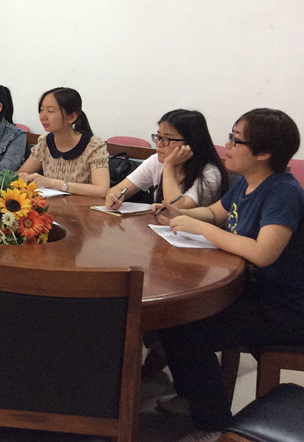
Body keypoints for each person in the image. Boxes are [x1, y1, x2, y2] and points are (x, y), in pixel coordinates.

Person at [155, 108, 304, 441]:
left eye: (236, 141)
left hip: (286, 307)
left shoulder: (283, 192)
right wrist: (178, 213)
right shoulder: (247, 184)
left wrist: (200, 229)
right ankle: (191, 397)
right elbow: (215, 212)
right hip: (254, 291)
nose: (227, 146)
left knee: (190, 329)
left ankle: (213, 424)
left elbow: (263, 253)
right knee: (176, 315)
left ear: (264, 153)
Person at [105, 109, 228, 210]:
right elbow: (119, 188)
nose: (159, 143)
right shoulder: (156, 161)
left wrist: (169, 166)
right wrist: (114, 195)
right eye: (158, 137)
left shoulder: (210, 173)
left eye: (166, 139)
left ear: (190, 143)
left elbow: (176, 209)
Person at [18, 87, 109, 196]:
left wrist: (53, 183)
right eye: (41, 110)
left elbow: (102, 190)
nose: (43, 117)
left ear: (71, 117)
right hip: (51, 205)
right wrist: (23, 178)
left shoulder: (94, 146)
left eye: (50, 111)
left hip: (82, 205)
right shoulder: (45, 142)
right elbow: (21, 174)